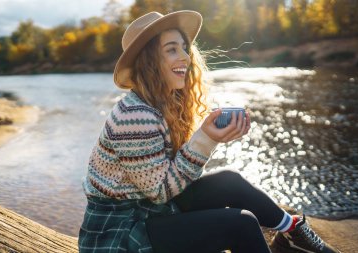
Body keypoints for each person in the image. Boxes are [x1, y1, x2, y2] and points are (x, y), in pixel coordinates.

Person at [78, 10, 340, 253]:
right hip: (119, 230)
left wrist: (211, 138)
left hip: (150, 209)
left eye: (184, 47)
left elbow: (172, 179)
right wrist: (206, 140)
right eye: (171, 49)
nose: (185, 56)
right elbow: (160, 191)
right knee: (241, 224)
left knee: (229, 180)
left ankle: (292, 232)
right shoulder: (135, 116)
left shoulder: (165, 103)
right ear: (148, 61)